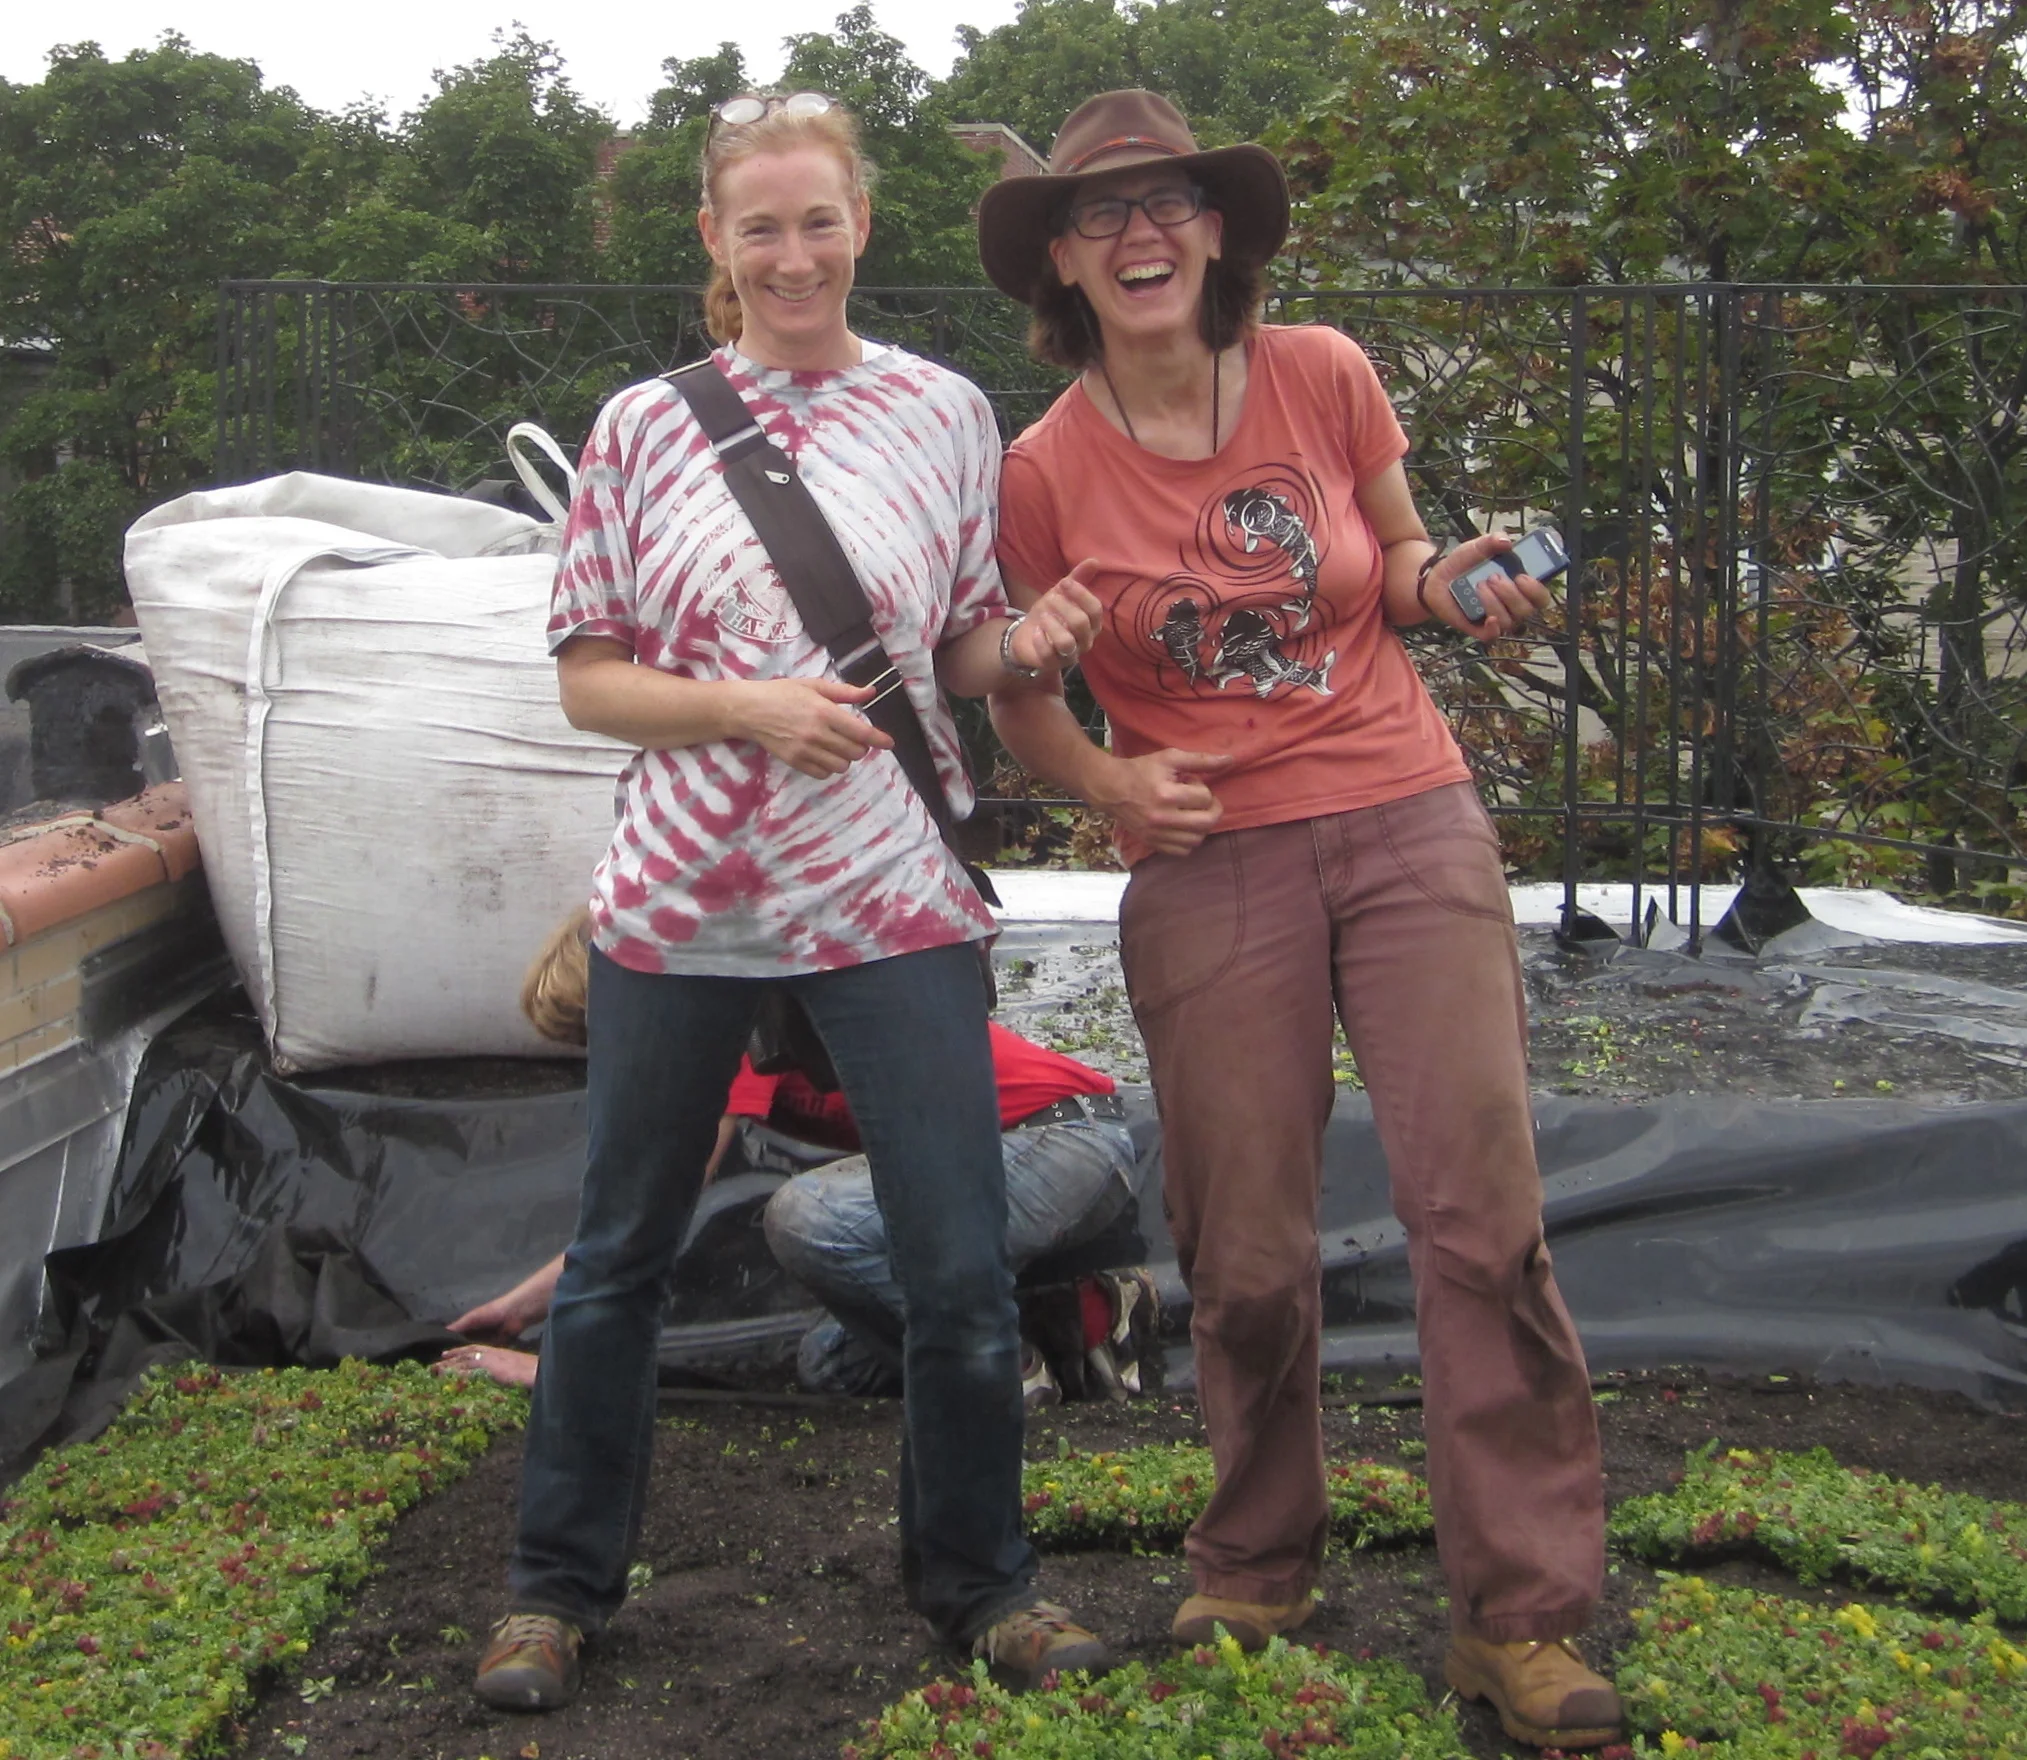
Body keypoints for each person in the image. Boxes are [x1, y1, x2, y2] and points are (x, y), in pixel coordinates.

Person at [976, 90, 1621, 1752]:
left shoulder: (1327, 373)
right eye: (1103, 213)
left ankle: (1523, 1621)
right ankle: (1256, 1554)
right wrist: (1107, 790)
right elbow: (1018, 699)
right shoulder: (1040, 469)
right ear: (1060, 254)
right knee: (1243, 1248)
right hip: (1211, 868)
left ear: (1215, 232)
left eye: (1169, 203)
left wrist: (1455, 583)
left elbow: (1394, 565)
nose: (1140, 234)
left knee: (1480, 1216)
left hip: (1405, 816)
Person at [474, 89, 1111, 1714]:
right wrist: (743, 708)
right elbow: (591, 686)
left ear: (859, 227)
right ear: (714, 239)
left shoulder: (942, 414)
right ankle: (555, 1591)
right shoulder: (642, 427)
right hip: (680, 901)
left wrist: (1029, 649)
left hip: (891, 897)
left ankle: (985, 1589)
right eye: (758, 225)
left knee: (959, 1266)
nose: (791, 252)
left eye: (816, 220)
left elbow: (953, 651)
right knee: (619, 1253)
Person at [439, 909, 1149, 1404]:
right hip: (1001, 1166)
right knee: (833, 1367)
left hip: (1062, 1142)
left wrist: (558, 1366)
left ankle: (1005, 1374)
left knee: (808, 1215)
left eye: (605, 1032)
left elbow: (655, 1210)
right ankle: (1068, 1313)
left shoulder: (735, 1021)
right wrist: (514, 1310)